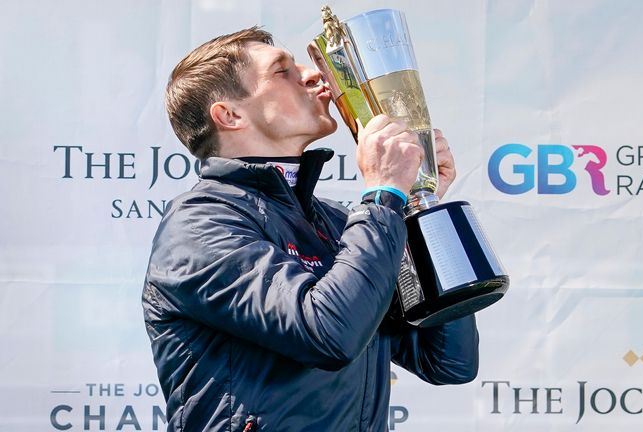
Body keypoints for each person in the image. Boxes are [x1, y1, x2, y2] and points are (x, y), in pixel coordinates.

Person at [142, 26, 479, 431]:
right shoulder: (199, 225)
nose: (313, 74)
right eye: (282, 71)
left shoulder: (340, 222)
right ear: (229, 115)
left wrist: (418, 207)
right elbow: (329, 334)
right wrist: (383, 194)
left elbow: (446, 362)